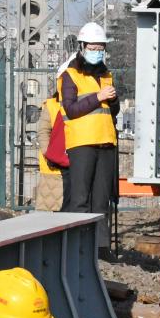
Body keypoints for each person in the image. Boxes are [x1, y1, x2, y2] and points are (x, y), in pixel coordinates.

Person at [58, 22, 120, 216]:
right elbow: (70, 109)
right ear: (82, 48)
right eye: (93, 49)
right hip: (82, 144)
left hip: (106, 143)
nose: (97, 52)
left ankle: (100, 247)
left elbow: (111, 112)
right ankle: (79, 245)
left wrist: (113, 100)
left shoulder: (106, 75)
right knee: (80, 200)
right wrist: (98, 97)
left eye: (100, 49)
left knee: (102, 203)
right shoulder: (70, 75)